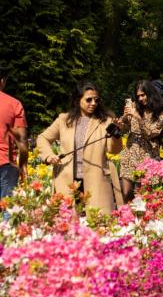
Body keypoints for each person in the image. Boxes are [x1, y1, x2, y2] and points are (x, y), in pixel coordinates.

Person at [35, 80, 123, 212]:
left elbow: (114, 150)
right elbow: (43, 138)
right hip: (67, 182)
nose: (93, 103)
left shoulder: (106, 120)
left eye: (96, 100)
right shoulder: (63, 120)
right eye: (88, 100)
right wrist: (49, 156)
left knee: (98, 225)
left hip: (96, 182)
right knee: (68, 226)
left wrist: (117, 135)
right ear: (77, 100)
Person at [116, 80, 163, 203]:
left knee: (143, 195)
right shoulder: (134, 107)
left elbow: (152, 133)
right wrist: (121, 121)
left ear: (150, 94)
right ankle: (128, 216)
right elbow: (125, 128)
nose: (140, 99)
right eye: (138, 96)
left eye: (143, 95)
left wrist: (138, 117)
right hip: (130, 152)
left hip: (148, 155)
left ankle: (143, 219)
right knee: (126, 192)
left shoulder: (161, 112)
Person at [0, 67, 27, 200]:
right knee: (7, 213)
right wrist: (23, 166)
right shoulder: (14, 104)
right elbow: (22, 141)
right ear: (2, 81)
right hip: (6, 164)